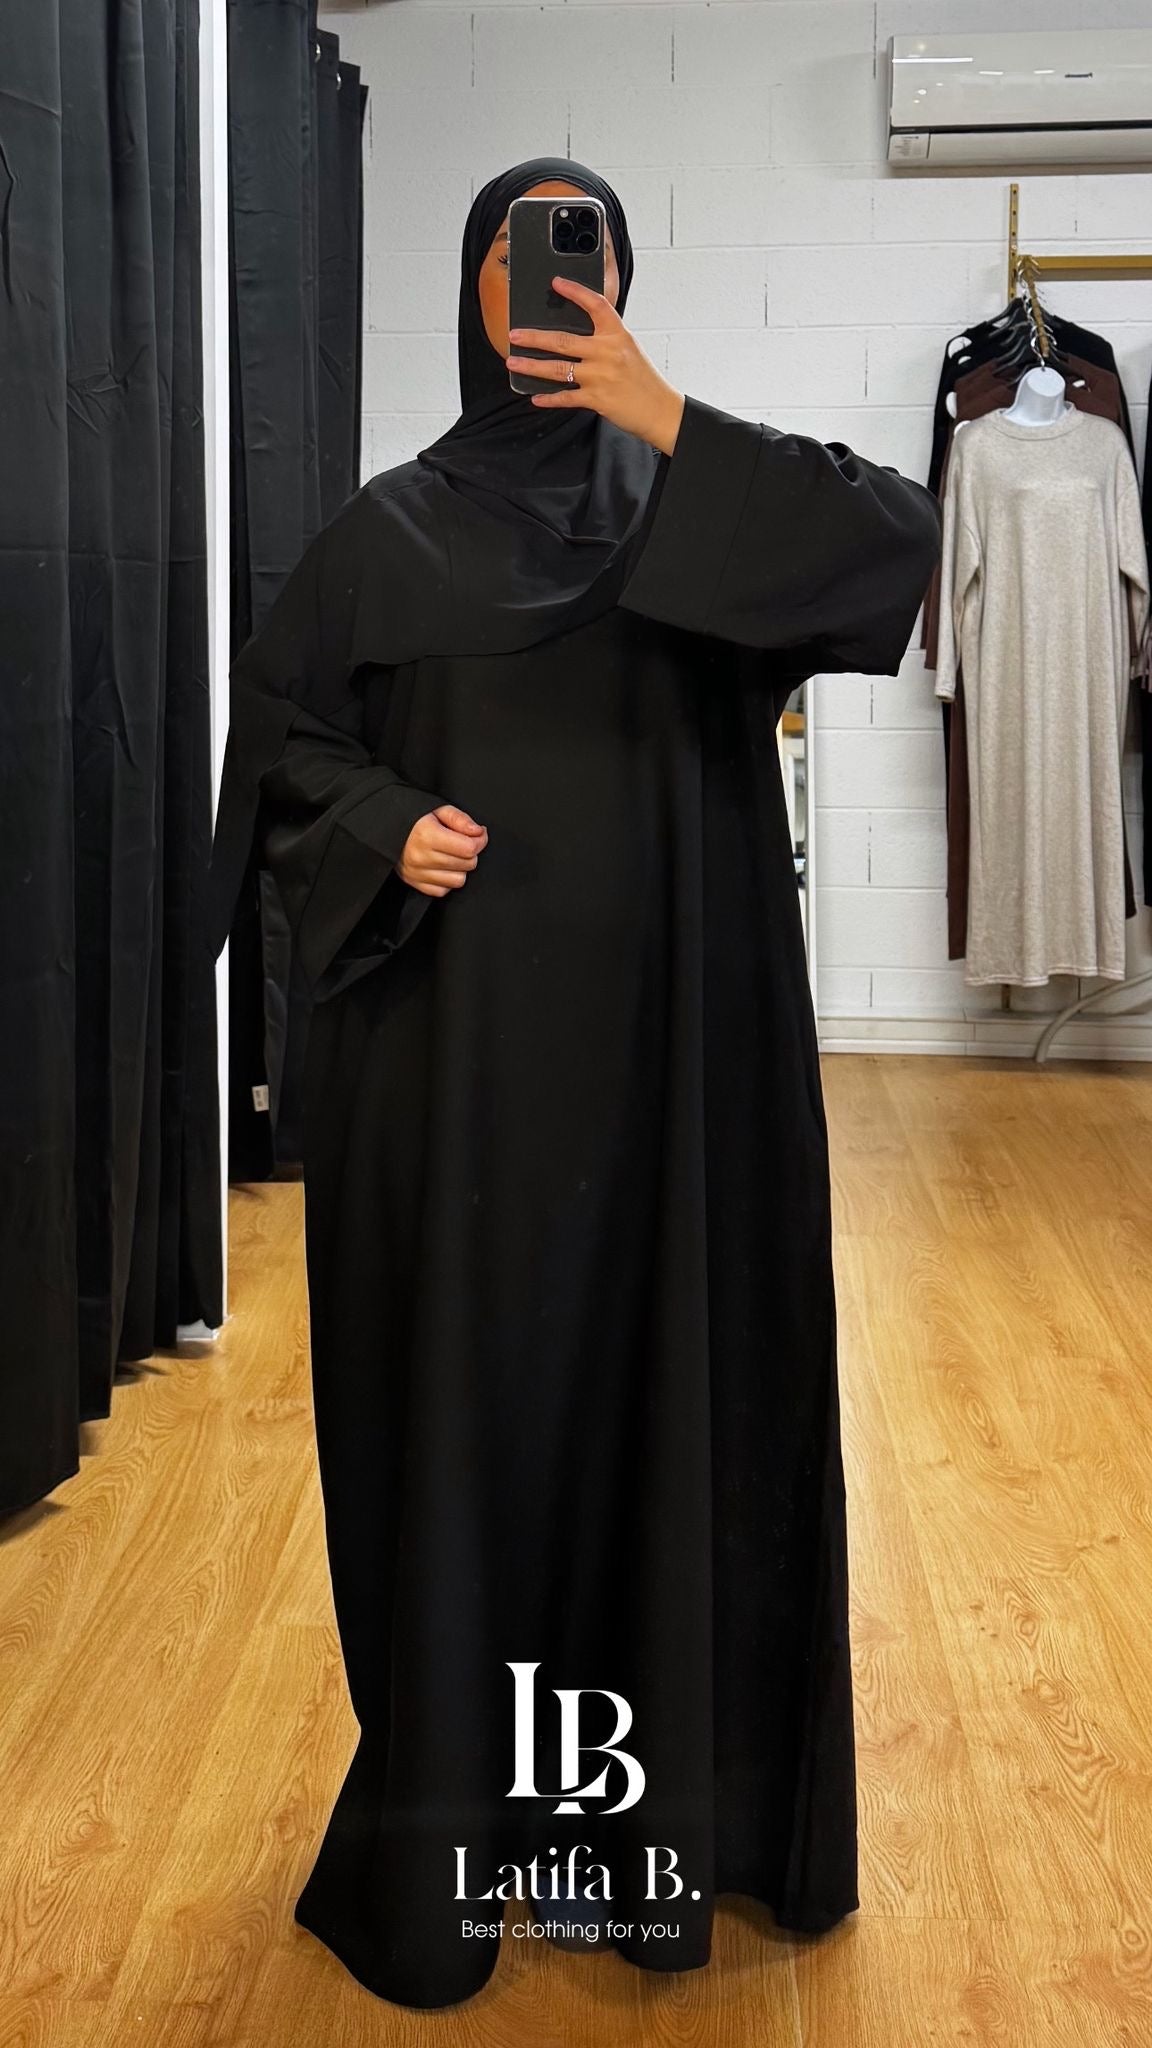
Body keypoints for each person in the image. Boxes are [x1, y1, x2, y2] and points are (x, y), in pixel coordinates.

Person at [206, 155, 942, 2011]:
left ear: (621, 279)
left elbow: (901, 544)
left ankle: (662, 1836)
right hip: (452, 1089)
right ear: (475, 289)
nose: (550, 281)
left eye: (583, 249)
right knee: (466, 1429)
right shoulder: (385, 536)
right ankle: (468, 1839)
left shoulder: (710, 512)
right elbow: (277, 753)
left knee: (672, 1412)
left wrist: (668, 418)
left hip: (679, 1093)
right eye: (520, 254)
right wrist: (380, 821)